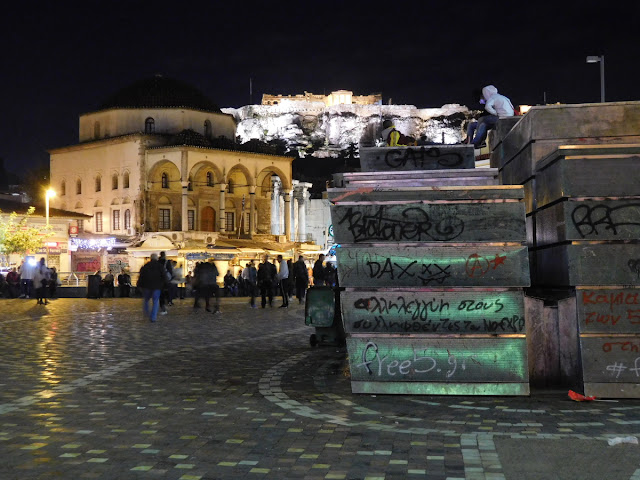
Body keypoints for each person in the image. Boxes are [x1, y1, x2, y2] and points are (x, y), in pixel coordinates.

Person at [137, 253, 166, 322]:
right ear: (156, 258)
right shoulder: (160, 266)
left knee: (146, 300)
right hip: (157, 286)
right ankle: (153, 317)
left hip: (147, 286)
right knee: (155, 301)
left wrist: (139, 285)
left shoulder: (146, 266)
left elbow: (141, 276)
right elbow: (164, 276)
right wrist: (164, 285)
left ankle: (146, 314)